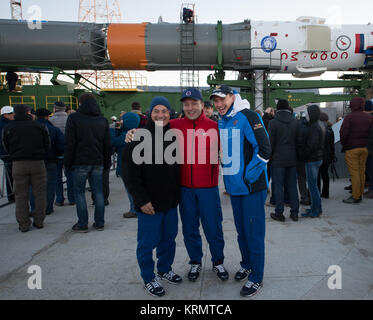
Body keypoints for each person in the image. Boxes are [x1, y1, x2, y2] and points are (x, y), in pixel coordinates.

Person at [126, 88, 228, 283]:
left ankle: (217, 261)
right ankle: (195, 261)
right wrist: (134, 132)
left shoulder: (216, 127)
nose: (190, 108)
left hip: (208, 187)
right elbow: (153, 127)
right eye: (186, 104)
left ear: (202, 105)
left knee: (213, 227)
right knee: (189, 229)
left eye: (194, 103)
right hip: (184, 189)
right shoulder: (173, 125)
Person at [211, 85, 271, 297]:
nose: (218, 104)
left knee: (254, 233)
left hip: (251, 188)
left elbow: (264, 149)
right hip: (235, 189)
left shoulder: (248, 115)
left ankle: (257, 276)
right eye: (215, 101)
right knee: (242, 232)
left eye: (222, 99)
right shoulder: (223, 120)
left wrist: (249, 177)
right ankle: (247, 263)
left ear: (232, 97)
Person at [122, 96, 182, 297]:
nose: (160, 115)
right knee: (147, 243)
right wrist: (141, 200)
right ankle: (148, 277)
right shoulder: (138, 137)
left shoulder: (174, 136)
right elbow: (130, 174)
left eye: (164, 111)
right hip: (149, 203)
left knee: (169, 239)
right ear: (149, 114)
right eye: (156, 111)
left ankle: (164, 269)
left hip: (170, 202)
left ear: (169, 114)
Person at [64, 93, 112, 232]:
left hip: (80, 162)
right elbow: (107, 144)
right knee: (98, 192)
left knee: (79, 193)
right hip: (98, 161)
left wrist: (67, 162)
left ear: (80, 103)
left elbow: (69, 143)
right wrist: (107, 163)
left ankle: (83, 224)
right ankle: (99, 223)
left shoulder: (73, 118)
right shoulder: (102, 120)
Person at [2, 105, 50, 232]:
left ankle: (23, 224)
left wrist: (14, 155)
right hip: (38, 163)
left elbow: (5, 144)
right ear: (28, 113)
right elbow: (47, 143)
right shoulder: (39, 126)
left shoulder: (9, 127)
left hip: (18, 163)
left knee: (20, 195)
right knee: (39, 193)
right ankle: (39, 221)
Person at [268, 99, 299, 222]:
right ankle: (295, 212)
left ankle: (279, 213)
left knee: (279, 186)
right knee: (292, 186)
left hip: (278, 160)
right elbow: (299, 141)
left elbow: (270, 143)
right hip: (292, 159)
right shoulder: (296, 122)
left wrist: (269, 158)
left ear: (277, 108)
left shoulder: (273, 123)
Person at [30, 109, 64, 215]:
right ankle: (48, 208)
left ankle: (35, 208)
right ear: (47, 117)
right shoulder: (54, 129)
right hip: (51, 160)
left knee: (33, 186)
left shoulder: (29, 128)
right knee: (50, 185)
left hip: (33, 161)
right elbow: (61, 146)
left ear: (35, 116)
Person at [340, 97, 373, 203]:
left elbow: (343, 134)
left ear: (352, 105)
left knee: (354, 173)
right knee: (361, 171)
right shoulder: (369, 118)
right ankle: (360, 193)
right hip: (365, 149)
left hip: (352, 149)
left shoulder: (349, 118)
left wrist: (344, 145)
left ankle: (356, 196)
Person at [111, 112, 140, 218]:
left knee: (130, 190)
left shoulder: (126, 135)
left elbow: (113, 141)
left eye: (123, 119)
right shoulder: (137, 133)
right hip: (134, 165)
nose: (121, 121)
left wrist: (113, 129)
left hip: (126, 166)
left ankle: (134, 209)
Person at [298, 105, 325, 217]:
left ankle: (316, 210)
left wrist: (303, 155)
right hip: (318, 158)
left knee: (313, 187)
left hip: (312, 159)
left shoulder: (314, 127)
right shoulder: (320, 124)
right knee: (314, 186)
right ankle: (315, 208)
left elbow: (311, 146)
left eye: (308, 113)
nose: (306, 115)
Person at [49, 101, 75, 207]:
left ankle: (59, 199)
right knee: (70, 176)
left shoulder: (50, 120)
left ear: (54, 108)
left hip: (55, 153)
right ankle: (72, 198)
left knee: (57, 177)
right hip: (68, 152)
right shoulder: (70, 119)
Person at [317, 112, 335, 199]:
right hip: (327, 156)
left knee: (317, 175)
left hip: (319, 155)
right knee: (325, 174)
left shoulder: (319, 129)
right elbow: (332, 145)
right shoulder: (330, 129)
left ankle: (317, 192)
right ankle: (326, 193)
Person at [0, 106, 15, 202]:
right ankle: (12, 195)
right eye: (11, 113)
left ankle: (12, 195)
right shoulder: (4, 125)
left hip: (7, 152)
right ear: (5, 115)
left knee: (11, 174)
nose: (13, 115)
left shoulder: (7, 124)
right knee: (11, 175)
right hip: (7, 153)